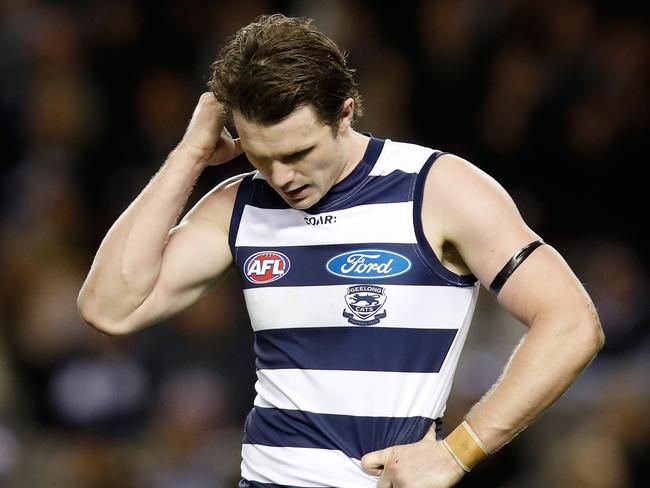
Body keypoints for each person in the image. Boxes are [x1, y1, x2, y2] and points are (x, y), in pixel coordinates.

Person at [77, 14, 604, 488]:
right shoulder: (239, 203)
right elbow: (109, 307)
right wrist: (189, 155)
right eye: (262, 157)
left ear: (345, 112)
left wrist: (456, 453)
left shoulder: (437, 188)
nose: (282, 177)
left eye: (298, 152)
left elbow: (572, 322)